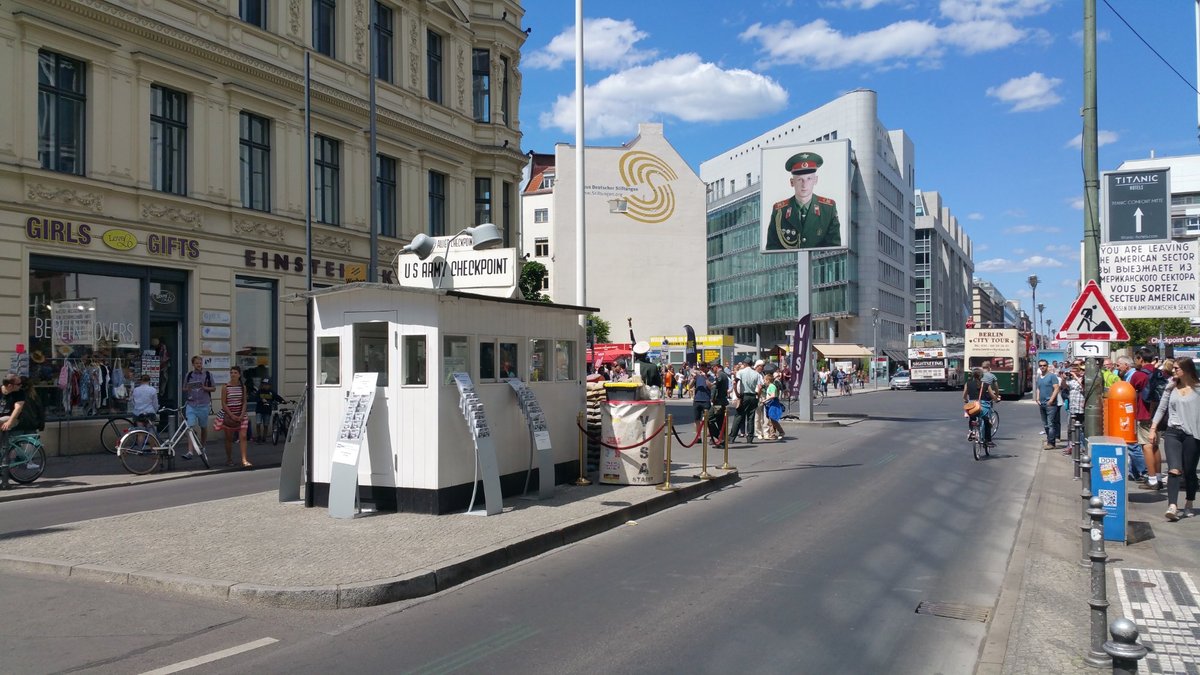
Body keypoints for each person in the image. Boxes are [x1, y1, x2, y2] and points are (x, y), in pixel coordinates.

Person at [1148, 358, 1199, 521]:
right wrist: (1153, 428)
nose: (1174, 371)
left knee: (1190, 471)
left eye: (1177, 368)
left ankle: (1189, 502)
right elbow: (1161, 408)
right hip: (1173, 433)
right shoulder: (1171, 387)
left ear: (1187, 370)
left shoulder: (1198, 389)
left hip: (1193, 435)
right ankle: (1172, 506)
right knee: (1174, 469)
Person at [765, 151, 842, 250]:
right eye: (800, 180)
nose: (804, 184)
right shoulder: (779, 210)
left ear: (815, 180)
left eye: (809, 179)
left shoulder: (828, 208)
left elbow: (834, 249)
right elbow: (772, 249)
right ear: (792, 182)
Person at [220, 366, 251, 467]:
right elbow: (224, 403)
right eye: (231, 372)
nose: (233, 374)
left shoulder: (243, 387)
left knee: (243, 436)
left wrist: (242, 414)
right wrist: (232, 415)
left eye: (235, 373)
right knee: (229, 438)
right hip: (229, 415)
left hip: (241, 414)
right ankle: (229, 459)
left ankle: (244, 459)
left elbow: (244, 402)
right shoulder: (225, 387)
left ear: (239, 375)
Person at [182, 356, 216, 449]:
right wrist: (188, 388)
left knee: (203, 427)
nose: (199, 365)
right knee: (190, 427)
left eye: (200, 363)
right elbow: (184, 388)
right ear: (193, 364)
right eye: (197, 363)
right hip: (191, 404)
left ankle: (203, 445)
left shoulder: (208, 374)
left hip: (203, 404)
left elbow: (213, 388)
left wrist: (205, 388)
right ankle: (190, 451)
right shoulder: (189, 375)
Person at [731, 359, 763, 444]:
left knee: (739, 416)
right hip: (753, 396)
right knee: (751, 417)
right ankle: (750, 438)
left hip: (744, 396)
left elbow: (735, 383)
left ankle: (732, 437)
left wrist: (737, 393)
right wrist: (758, 397)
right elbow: (760, 387)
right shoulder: (756, 374)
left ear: (745, 364)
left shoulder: (740, 372)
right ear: (751, 364)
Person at [963, 367, 996, 447]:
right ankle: (988, 441)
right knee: (987, 421)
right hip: (982, 407)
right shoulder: (986, 385)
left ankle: (971, 432)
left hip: (972, 406)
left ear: (973, 375)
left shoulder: (968, 383)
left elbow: (964, 395)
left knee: (972, 417)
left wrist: (966, 400)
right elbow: (992, 395)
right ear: (982, 376)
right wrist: (996, 398)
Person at [1035, 359, 1061, 449]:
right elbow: (1038, 388)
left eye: (1044, 365)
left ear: (1047, 366)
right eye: (1041, 365)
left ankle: (1051, 443)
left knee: (1050, 424)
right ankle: (1049, 439)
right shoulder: (1039, 377)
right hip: (1041, 403)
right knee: (1045, 424)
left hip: (1050, 404)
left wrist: (1051, 400)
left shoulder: (1052, 376)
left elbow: (1056, 388)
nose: (1042, 367)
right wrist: (1037, 398)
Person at [253, 377, 286, 443]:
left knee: (266, 424)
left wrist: (283, 401)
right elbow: (255, 398)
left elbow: (277, 397)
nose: (265, 386)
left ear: (269, 385)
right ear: (262, 385)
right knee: (258, 423)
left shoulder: (271, 392)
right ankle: (259, 436)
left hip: (267, 410)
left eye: (267, 385)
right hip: (259, 410)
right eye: (264, 384)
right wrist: (261, 400)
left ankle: (264, 437)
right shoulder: (259, 391)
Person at [763, 372, 785, 441]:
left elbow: (773, 395)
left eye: (765, 380)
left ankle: (777, 433)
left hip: (773, 403)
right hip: (770, 403)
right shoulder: (770, 386)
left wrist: (765, 400)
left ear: (768, 380)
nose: (764, 382)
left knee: (772, 419)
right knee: (772, 419)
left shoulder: (772, 386)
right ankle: (774, 433)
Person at [691, 363, 712, 437]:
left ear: (707, 368)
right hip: (697, 400)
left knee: (707, 419)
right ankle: (698, 436)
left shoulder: (709, 376)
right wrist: (693, 378)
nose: (701, 368)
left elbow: (711, 387)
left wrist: (705, 378)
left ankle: (709, 434)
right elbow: (690, 386)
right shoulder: (697, 377)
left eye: (703, 366)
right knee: (697, 419)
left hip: (706, 400)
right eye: (700, 367)